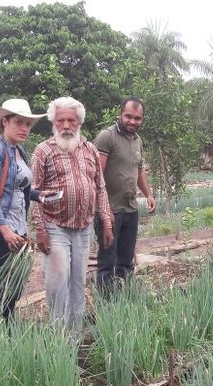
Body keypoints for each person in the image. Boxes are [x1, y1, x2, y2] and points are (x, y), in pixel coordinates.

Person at [31, 96, 113, 335]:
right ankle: (57, 339)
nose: (66, 126)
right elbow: (34, 191)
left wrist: (106, 221)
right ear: (53, 123)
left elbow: (100, 187)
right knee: (58, 283)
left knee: (78, 283)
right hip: (55, 226)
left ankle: (74, 339)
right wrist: (40, 230)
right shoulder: (43, 150)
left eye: (71, 120)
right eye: (61, 121)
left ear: (79, 122)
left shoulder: (90, 150)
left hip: (84, 227)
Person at [0, 98, 47, 321]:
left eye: (28, 124)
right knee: (9, 279)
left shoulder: (19, 150)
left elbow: (19, 188)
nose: (24, 128)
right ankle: (4, 330)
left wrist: (39, 195)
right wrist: (4, 229)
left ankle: (5, 326)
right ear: (5, 121)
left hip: (18, 224)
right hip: (1, 226)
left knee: (17, 281)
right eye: (19, 122)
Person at [93, 97, 156, 294]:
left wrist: (148, 194)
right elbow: (96, 176)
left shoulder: (138, 140)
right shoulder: (107, 137)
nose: (132, 122)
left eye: (137, 118)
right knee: (107, 263)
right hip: (110, 211)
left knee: (126, 261)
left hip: (130, 209)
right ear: (120, 114)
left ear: (142, 119)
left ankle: (124, 300)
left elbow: (138, 170)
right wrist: (103, 211)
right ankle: (106, 305)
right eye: (128, 116)